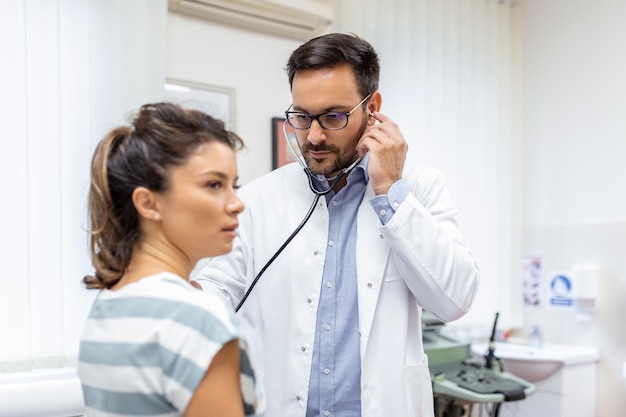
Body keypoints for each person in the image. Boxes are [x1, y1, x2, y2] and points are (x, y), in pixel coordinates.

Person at [195, 33, 480, 417]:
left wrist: (391, 193)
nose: (313, 136)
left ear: (373, 107)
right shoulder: (260, 199)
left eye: (333, 116)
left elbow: (455, 300)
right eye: (301, 116)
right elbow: (214, 291)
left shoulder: (417, 189)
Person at [77, 102, 258, 416]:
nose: (237, 204)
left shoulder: (109, 303)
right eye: (214, 184)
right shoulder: (198, 317)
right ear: (149, 203)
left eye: (234, 185)